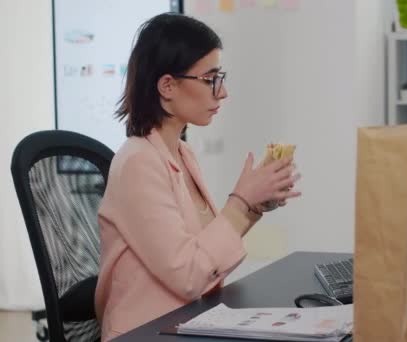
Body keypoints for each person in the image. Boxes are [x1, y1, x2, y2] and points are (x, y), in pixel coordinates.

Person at [94, 13, 301, 341]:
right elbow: (189, 275)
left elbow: (207, 259)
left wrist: (255, 206)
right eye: (210, 79)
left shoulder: (182, 154)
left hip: (186, 319)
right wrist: (241, 200)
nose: (222, 93)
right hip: (144, 332)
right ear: (167, 86)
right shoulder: (137, 162)